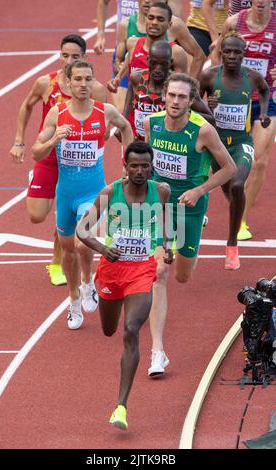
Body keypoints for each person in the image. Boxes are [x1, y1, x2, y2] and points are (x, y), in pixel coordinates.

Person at [143, 72, 236, 376]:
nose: (175, 101)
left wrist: (199, 191)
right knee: (159, 273)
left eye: (182, 97)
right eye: (171, 95)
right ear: (164, 96)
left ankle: (194, 230)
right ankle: (157, 352)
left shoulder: (203, 131)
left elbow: (229, 168)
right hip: (160, 205)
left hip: (191, 207)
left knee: (183, 275)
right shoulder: (151, 124)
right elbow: (145, 163)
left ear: (191, 101)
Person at [76, 141, 172, 430]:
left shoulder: (162, 191)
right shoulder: (110, 193)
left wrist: (166, 248)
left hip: (141, 271)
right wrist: (102, 250)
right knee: (108, 330)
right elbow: (82, 229)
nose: (140, 171)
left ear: (151, 166)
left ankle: (121, 406)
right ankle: (96, 291)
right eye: (134, 166)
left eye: (145, 165)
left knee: (131, 328)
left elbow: (166, 223)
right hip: (111, 270)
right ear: (125, 167)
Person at [32, 60, 133, 329]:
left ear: (93, 81)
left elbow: (125, 126)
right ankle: (74, 300)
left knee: (81, 241)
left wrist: (129, 162)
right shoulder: (57, 113)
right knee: (67, 251)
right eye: (77, 79)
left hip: (93, 190)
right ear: (69, 81)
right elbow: (36, 152)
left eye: (88, 79)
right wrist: (54, 140)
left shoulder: (105, 111)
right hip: (66, 192)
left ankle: (88, 283)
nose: (83, 84)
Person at [10, 34, 107, 286]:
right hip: (49, 156)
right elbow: (25, 106)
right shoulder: (46, 83)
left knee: (64, 215)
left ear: (84, 59)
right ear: (59, 55)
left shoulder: (94, 88)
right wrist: (20, 141)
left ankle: (56, 263)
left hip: (77, 164)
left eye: (75, 56)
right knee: (35, 216)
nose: (68, 60)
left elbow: (106, 120)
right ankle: (46, 191)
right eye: (65, 55)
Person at [200, 31, 270, 270]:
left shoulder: (251, 77)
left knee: (238, 185)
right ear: (221, 53)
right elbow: (194, 104)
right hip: (216, 145)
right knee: (230, 191)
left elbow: (264, 90)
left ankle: (231, 245)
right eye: (227, 51)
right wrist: (207, 108)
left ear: (243, 53)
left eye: (236, 52)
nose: (231, 56)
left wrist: (261, 112)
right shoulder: (209, 77)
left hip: (241, 143)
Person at [220, 0, 276, 240]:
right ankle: (232, 197)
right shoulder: (234, 22)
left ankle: (241, 219)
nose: (261, 2)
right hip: (236, 100)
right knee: (230, 161)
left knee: (260, 161)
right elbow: (218, 55)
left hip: (268, 99)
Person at [124, 40, 214, 140]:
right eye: (154, 63)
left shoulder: (181, 86)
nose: (158, 69)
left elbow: (210, 119)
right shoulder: (136, 77)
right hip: (141, 144)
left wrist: (184, 113)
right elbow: (130, 94)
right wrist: (123, 122)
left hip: (168, 145)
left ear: (170, 63)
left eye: (163, 64)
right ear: (148, 60)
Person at [114, 0, 205, 81]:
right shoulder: (128, 30)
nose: (147, 1)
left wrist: (192, 88)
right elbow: (118, 62)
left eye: (160, 19)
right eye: (151, 18)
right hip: (134, 85)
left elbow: (199, 55)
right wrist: (120, 72)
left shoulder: (175, 27)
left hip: (164, 93)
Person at [107, 2, 188, 93]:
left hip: (162, 105)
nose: (154, 23)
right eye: (151, 18)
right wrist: (117, 79)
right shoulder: (132, 43)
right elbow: (128, 62)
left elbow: (182, 87)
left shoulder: (176, 52)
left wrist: (145, 75)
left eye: (160, 19)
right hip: (136, 104)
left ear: (169, 24)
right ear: (146, 21)